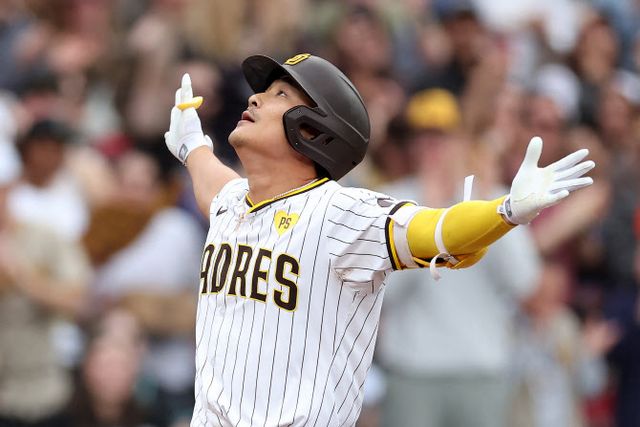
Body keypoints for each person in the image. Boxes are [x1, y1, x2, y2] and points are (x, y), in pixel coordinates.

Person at [163, 53, 595, 426]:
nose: (254, 98)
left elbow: (437, 230)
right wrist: (192, 144)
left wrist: (504, 211)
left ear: (312, 130)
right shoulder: (233, 202)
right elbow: (211, 179)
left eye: (280, 95)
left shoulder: (340, 213)